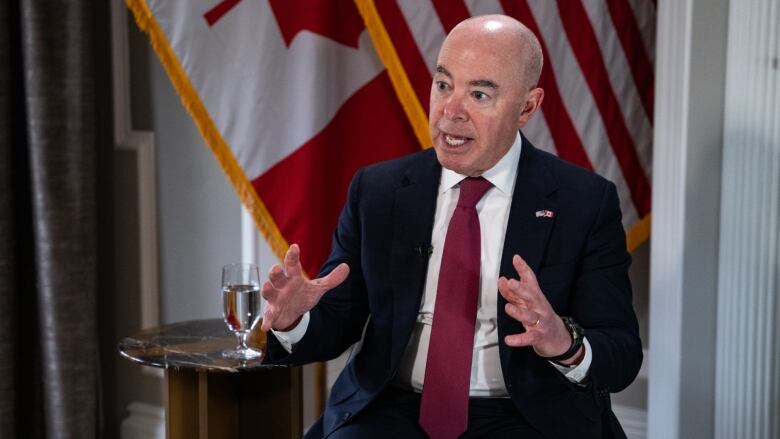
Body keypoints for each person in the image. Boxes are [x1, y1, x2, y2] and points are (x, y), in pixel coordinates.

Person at [260, 14, 642, 439]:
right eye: (443, 85)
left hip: (526, 415)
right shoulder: (379, 190)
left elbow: (620, 353)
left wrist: (565, 343)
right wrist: (294, 320)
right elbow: (340, 321)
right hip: (393, 410)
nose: (450, 111)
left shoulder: (583, 201)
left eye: (479, 94)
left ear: (527, 107)